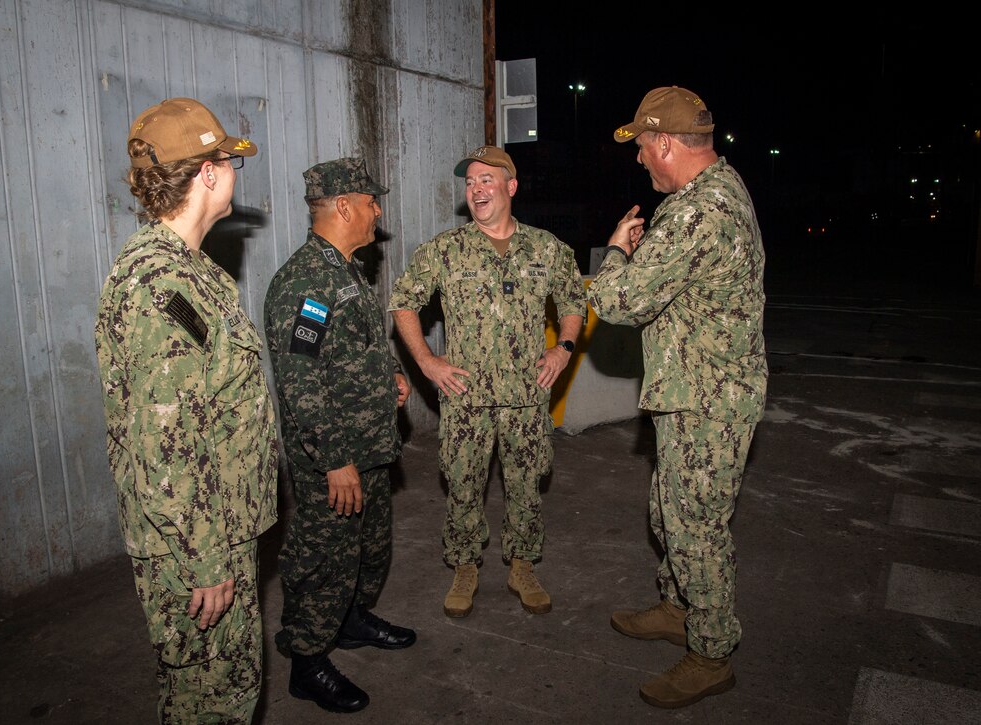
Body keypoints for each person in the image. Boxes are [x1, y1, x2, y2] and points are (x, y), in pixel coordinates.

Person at [95, 97, 277, 723]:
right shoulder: (158, 286)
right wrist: (204, 557)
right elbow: (165, 445)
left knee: (227, 692)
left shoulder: (193, 272)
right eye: (229, 161)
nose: (234, 173)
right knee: (211, 703)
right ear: (206, 173)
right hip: (195, 543)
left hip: (217, 526)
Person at [586, 86, 767, 709]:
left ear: (665, 142)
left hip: (708, 400)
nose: (639, 159)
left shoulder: (696, 212)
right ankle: (679, 607)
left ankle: (712, 651)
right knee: (669, 509)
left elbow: (618, 302)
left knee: (696, 527)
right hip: (697, 386)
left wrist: (615, 252)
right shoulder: (719, 187)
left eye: (642, 147)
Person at [389, 145, 586, 618]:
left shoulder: (546, 248)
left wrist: (563, 349)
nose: (476, 190)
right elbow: (403, 304)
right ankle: (465, 567)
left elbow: (573, 300)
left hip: (525, 395)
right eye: (469, 182)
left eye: (485, 180)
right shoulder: (444, 250)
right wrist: (428, 362)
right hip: (467, 398)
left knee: (525, 485)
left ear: (510, 187)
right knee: (463, 484)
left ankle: (522, 565)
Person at [264, 157, 415, 714]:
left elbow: (352, 350)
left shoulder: (346, 268)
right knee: (324, 557)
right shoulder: (307, 283)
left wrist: (390, 377)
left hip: (368, 444)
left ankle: (349, 621)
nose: (378, 211)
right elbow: (300, 380)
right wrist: (333, 460)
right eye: (372, 202)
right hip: (336, 455)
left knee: (367, 550)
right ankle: (307, 660)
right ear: (345, 206)